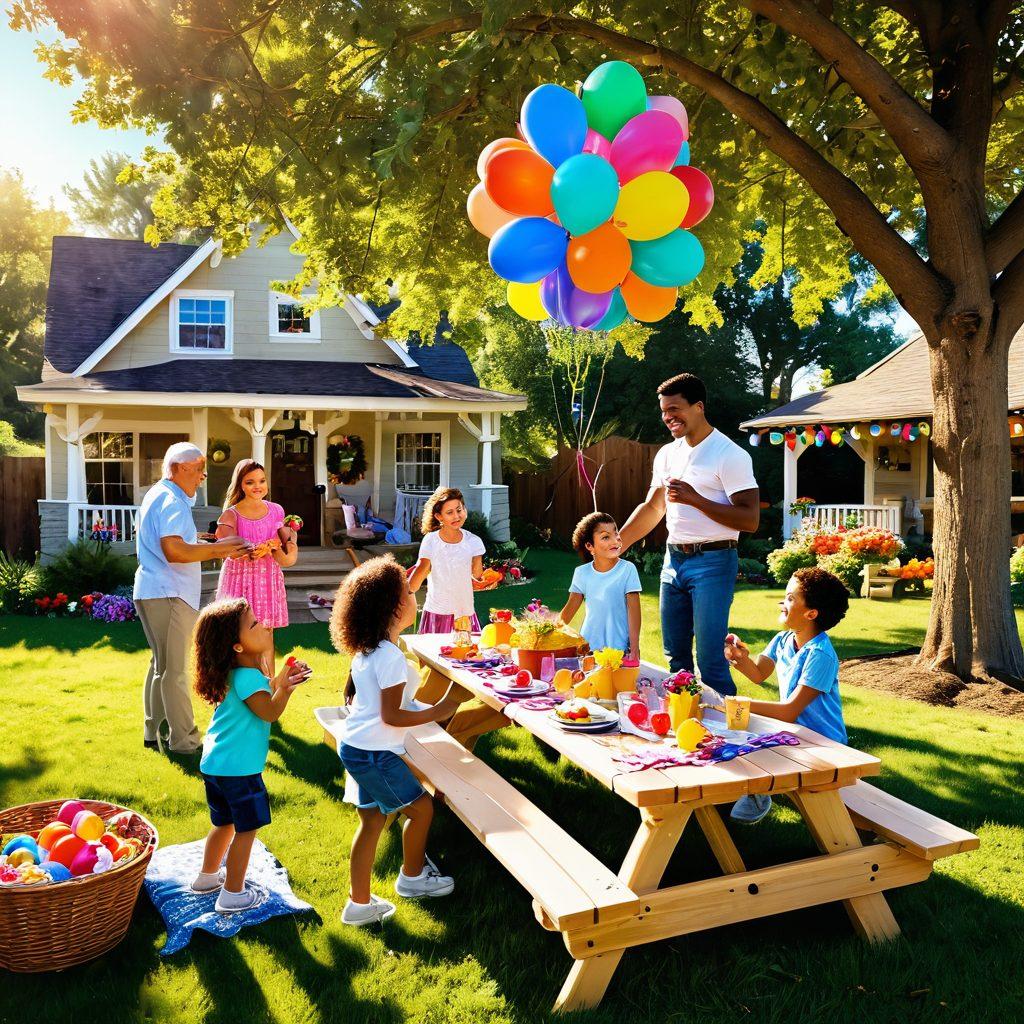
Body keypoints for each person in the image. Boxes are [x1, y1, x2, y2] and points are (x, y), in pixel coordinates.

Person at [331, 556, 464, 926]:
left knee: (371, 823)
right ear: (394, 607)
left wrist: (439, 705)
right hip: (374, 754)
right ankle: (412, 877)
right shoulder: (388, 656)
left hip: (359, 748)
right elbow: (393, 716)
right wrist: (439, 711)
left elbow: (392, 705)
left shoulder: (371, 649)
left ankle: (358, 904)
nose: (414, 594)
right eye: (408, 591)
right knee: (422, 809)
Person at [619, 373, 759, 696]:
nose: (668, 417)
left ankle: (729, 735)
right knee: (676, 658)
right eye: (664, 411)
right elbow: (654, 508)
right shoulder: (667, 454)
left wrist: (695, 498)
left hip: (714, 560)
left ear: (698, 407)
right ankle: (687, 728)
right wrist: (617, 545)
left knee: (710, 660)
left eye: (675, 409)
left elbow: (749, 519)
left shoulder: (729, 455)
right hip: (674, 561)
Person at [190, 598, 310, 912]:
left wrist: (282, 679)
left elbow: (262, 692)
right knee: (246, 830)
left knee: (224, 824)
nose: (264, 624)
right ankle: (232, 893)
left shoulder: (236, 676)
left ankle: (206, 877)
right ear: (238, 647)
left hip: (217, 764)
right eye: (254, 624)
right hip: (240, 771)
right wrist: (285, 690)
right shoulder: (248, 678)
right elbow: (269, 711)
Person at [133, 442, 250, 754]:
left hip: (154, 589)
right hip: (169, 592)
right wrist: (221, 549)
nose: (203, 475)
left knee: (161, 665)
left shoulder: (160, 495)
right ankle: (185, 741)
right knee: (175, 671)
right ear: (179, 468)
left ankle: (151, 731)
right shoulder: (171, 500)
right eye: (198, 468)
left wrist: (201, 541)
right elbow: (174, 551)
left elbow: (175, 543)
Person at [723, 566, 851, 824]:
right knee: (737, 737)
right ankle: (760, 789)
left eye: (791, 598)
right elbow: (759, 674)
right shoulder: (783, 640)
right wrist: (740, 658)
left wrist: (736, 705)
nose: (783, 602)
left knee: (746, 733)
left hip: (824, 743)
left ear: (811, 613)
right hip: (794, 733)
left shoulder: (820, 655)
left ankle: (760, 792)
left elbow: (789, 710)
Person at [215, 459, 299, 669]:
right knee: (238, 635)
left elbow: (284, 554)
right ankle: (239, 687)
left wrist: (284, 545)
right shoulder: (231, 515)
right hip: (239, 579)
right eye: (250, 482)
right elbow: (229, 550)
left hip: (267, 578)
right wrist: (252, 551)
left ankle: (268, 689)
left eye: (262, 481)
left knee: (266, 633)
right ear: (240, 485)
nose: (257, 486)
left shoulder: (277, 511)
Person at [408, 486, 493, 634]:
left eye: (459, 510)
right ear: (439, 517)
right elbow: (419, 574)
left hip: (465, 613)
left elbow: (477, 577)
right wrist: (406, 590)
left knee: (466, 655)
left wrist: (486, 578)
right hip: (437, 612)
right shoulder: (431, 541)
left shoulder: (474, 542)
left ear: (465, 510)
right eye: (449, 512)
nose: (456, 516)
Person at [559, 512, 642, 659]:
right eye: (605, 537)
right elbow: (569, 609)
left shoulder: (627, 569)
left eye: (616, 534)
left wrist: (635, 648)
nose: (615, 541)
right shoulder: (581, 573)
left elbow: (634, 612)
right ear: (590, 546)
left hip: (618, 651)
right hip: (588, 649)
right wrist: (549, 630)